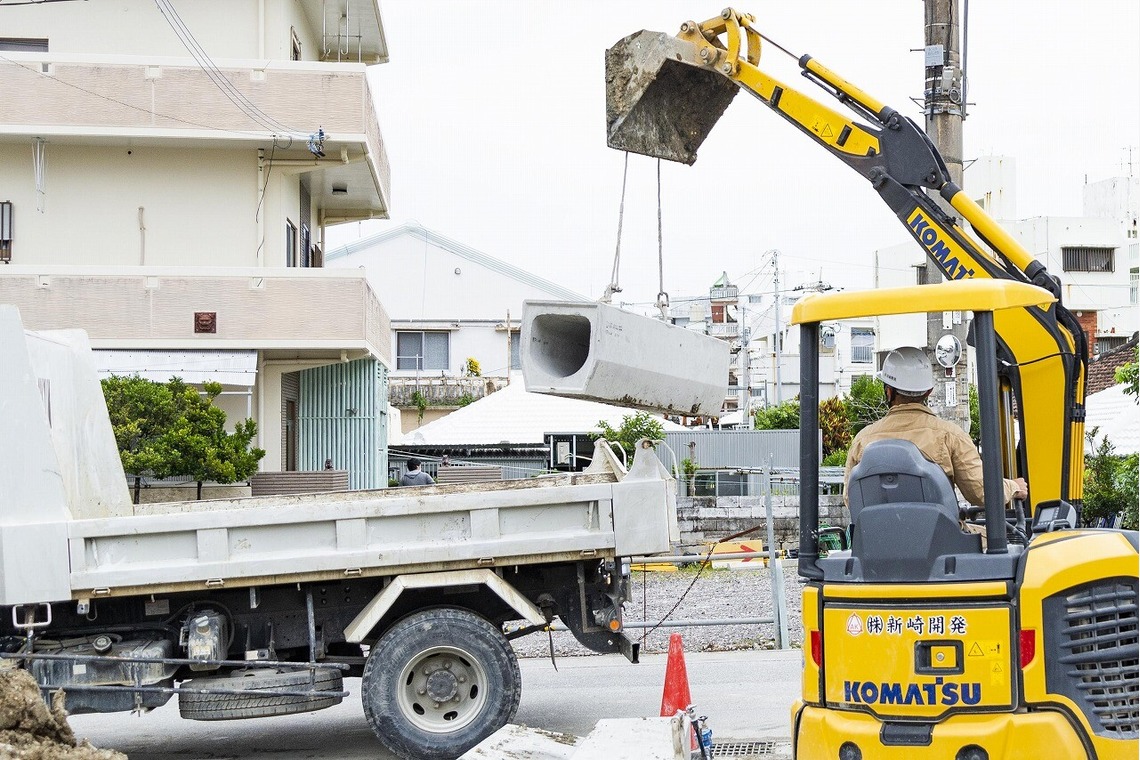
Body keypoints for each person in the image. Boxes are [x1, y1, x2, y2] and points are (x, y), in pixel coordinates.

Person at [844, 346, 1028, 514]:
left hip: (876, 546)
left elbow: (850, 498)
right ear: (929, 391)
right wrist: (1014, 486)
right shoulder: (950, 435)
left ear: (889, 391)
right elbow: (981, 493)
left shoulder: (862, 440)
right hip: (940, 546)